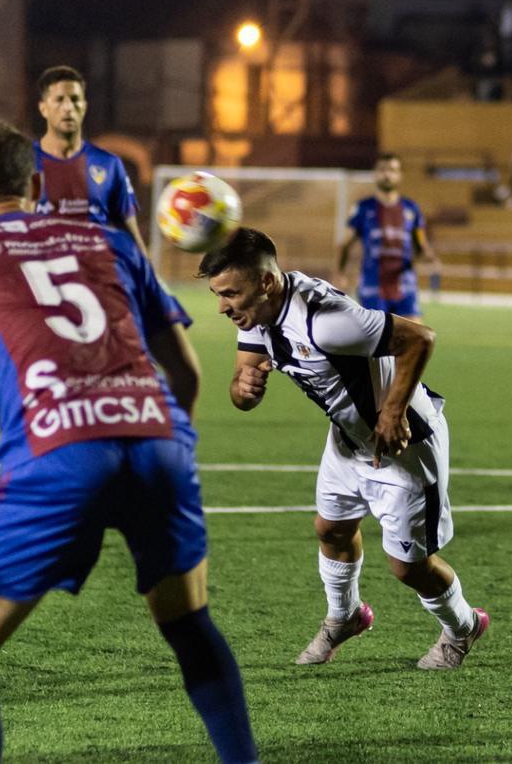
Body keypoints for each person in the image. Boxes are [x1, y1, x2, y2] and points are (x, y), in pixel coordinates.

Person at [0, 121, 257, 763]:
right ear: (33, 184)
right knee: (188, 624)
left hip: (56, 451)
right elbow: (187, 372)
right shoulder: (112, 241)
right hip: (159, 435)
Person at [198, 228, 488, 670]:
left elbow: (420, 338)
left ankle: (464, 625)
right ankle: (345, 616)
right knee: (331, 529)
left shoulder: (326, 321)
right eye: (218, 294)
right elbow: (243, 390)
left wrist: (392, 414)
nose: (222, 306)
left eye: (230, 294)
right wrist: (244, 388)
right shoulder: (259, 315)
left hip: (404, 445)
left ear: (266, 283)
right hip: (348, 439)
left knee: (409, 568)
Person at [33, 65, 149, 256]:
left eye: (75, 99)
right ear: (43, 108)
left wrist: (147, 277)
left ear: (84, 106)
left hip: (95, 276)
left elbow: (131, 232)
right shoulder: (24, 163)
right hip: (44, 274)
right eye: (60, 100)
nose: (68, 107)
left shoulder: (108, 164)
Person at [337, 154, 440, 322]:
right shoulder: (363, 208)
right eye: (382, 170)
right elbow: (345, 244)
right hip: (372, 285)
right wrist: (340, 273)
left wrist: (430, 256)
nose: (387, 174)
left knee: (416, 337)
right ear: (375, 174)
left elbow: (421, 243)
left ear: (399, 175)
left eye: (392, 170)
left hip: (405, 284)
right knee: (376, 341)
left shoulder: (411, 209)